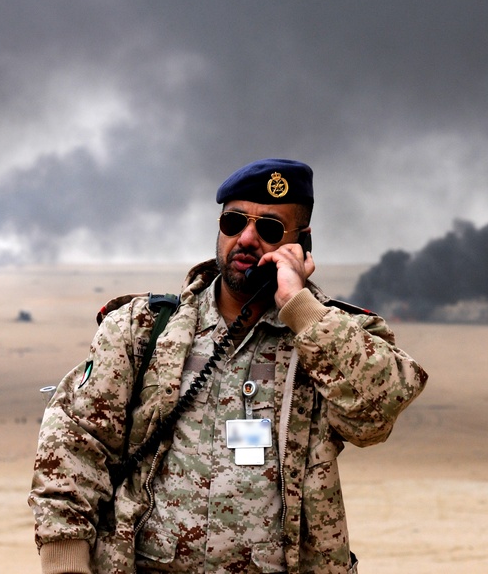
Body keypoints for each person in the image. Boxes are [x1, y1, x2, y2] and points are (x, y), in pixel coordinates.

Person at [29, 158, 428, 574]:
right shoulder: (143, 328)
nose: (247, 238)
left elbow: (374, 416)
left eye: (270, 229)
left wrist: (300, 308)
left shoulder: (330, 334)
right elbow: (74, 442)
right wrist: (66, 564)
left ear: (303, 241)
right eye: (234, 222)